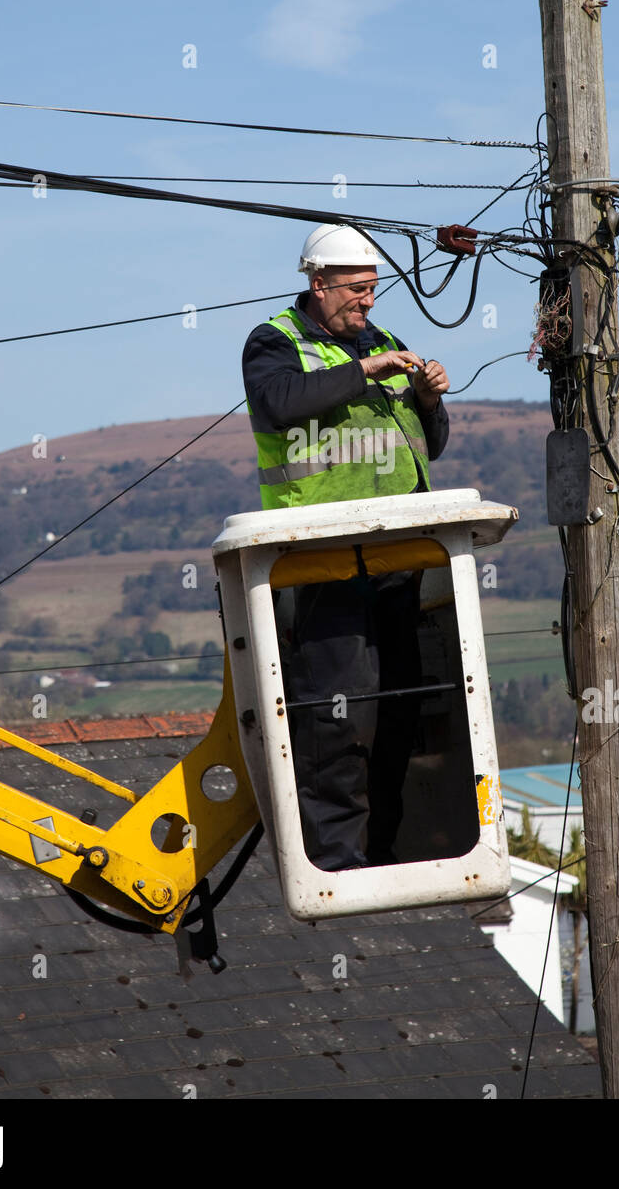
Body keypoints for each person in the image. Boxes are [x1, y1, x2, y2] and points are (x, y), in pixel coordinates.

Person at [242, 223, 450, 871]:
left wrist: (425, 397)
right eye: (356, 291)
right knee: (336, 718)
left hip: (397, 561)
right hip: (321, 562)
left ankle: (380, 850)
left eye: (372, 291)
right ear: (319, 282)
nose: (366, 304)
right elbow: (279, 404)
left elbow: (429, 443)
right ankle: (333, 860)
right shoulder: (275, 343)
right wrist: (363, 372)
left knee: (397, 716)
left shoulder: (387, 343)